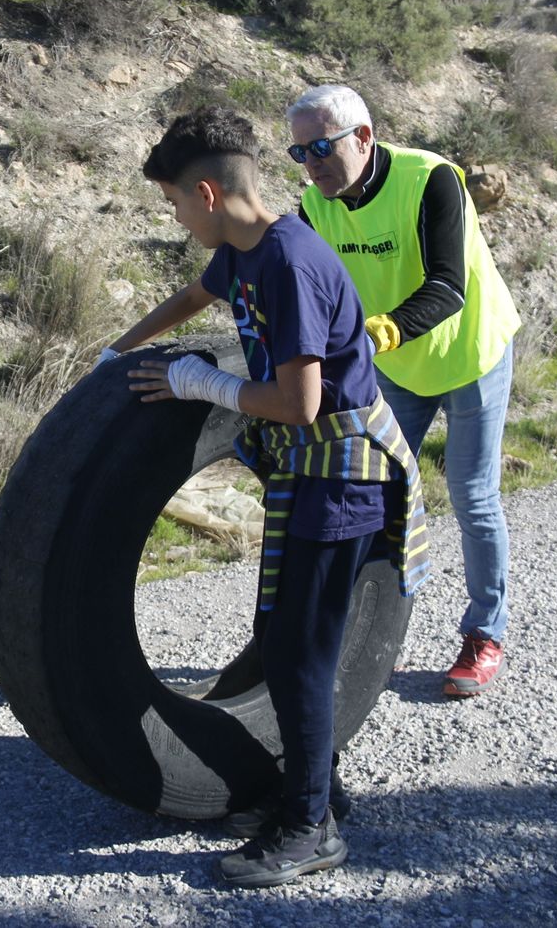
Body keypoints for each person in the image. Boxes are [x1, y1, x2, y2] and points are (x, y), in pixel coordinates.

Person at [108, 110, 427, 888]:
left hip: (342, 469)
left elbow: (301, 404)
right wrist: (118, 354)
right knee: (281, 638)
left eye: (177, 204)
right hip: (305, 469)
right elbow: (191, 297)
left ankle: (311, 825)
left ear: (210, 193)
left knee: (302, 655)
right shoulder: (244, 251)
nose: (178, 220)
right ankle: (309, 787)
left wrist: (202, 381)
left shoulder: (287, 262)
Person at [285, 84, 520, 697]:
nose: (310, 164)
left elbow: (449, 287)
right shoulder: (316, 203)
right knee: (378, 497)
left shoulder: (432, 179)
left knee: (471, 496)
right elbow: (309, 286)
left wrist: (377, 334)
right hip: (395, 366)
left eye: (319, 147)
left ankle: (484, 634)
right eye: (298, 153)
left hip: (470, 354)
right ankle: (370, 642)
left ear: (362, 137)